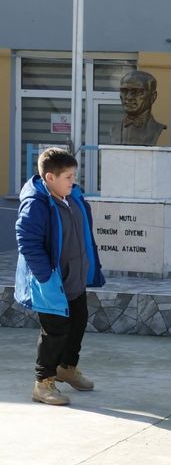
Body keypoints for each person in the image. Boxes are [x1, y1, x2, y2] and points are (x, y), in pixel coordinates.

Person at [15, 147, 106, 406]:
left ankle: (67, 368)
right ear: (50, 178)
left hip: (74, 279)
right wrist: (45, 277)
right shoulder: (37, 204)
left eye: (74, 175)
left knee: (77, 324)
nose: (73, 181)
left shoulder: (72, 197)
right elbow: (28, 242)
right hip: (52, 282)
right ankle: (43, 383)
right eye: (68, 176)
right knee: (54, 332)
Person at [109, 70, 167, 146]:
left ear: (153, 97)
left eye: (137, 91)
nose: (128, 97)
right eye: (124, 91)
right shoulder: (114, 129)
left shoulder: (156, 129)